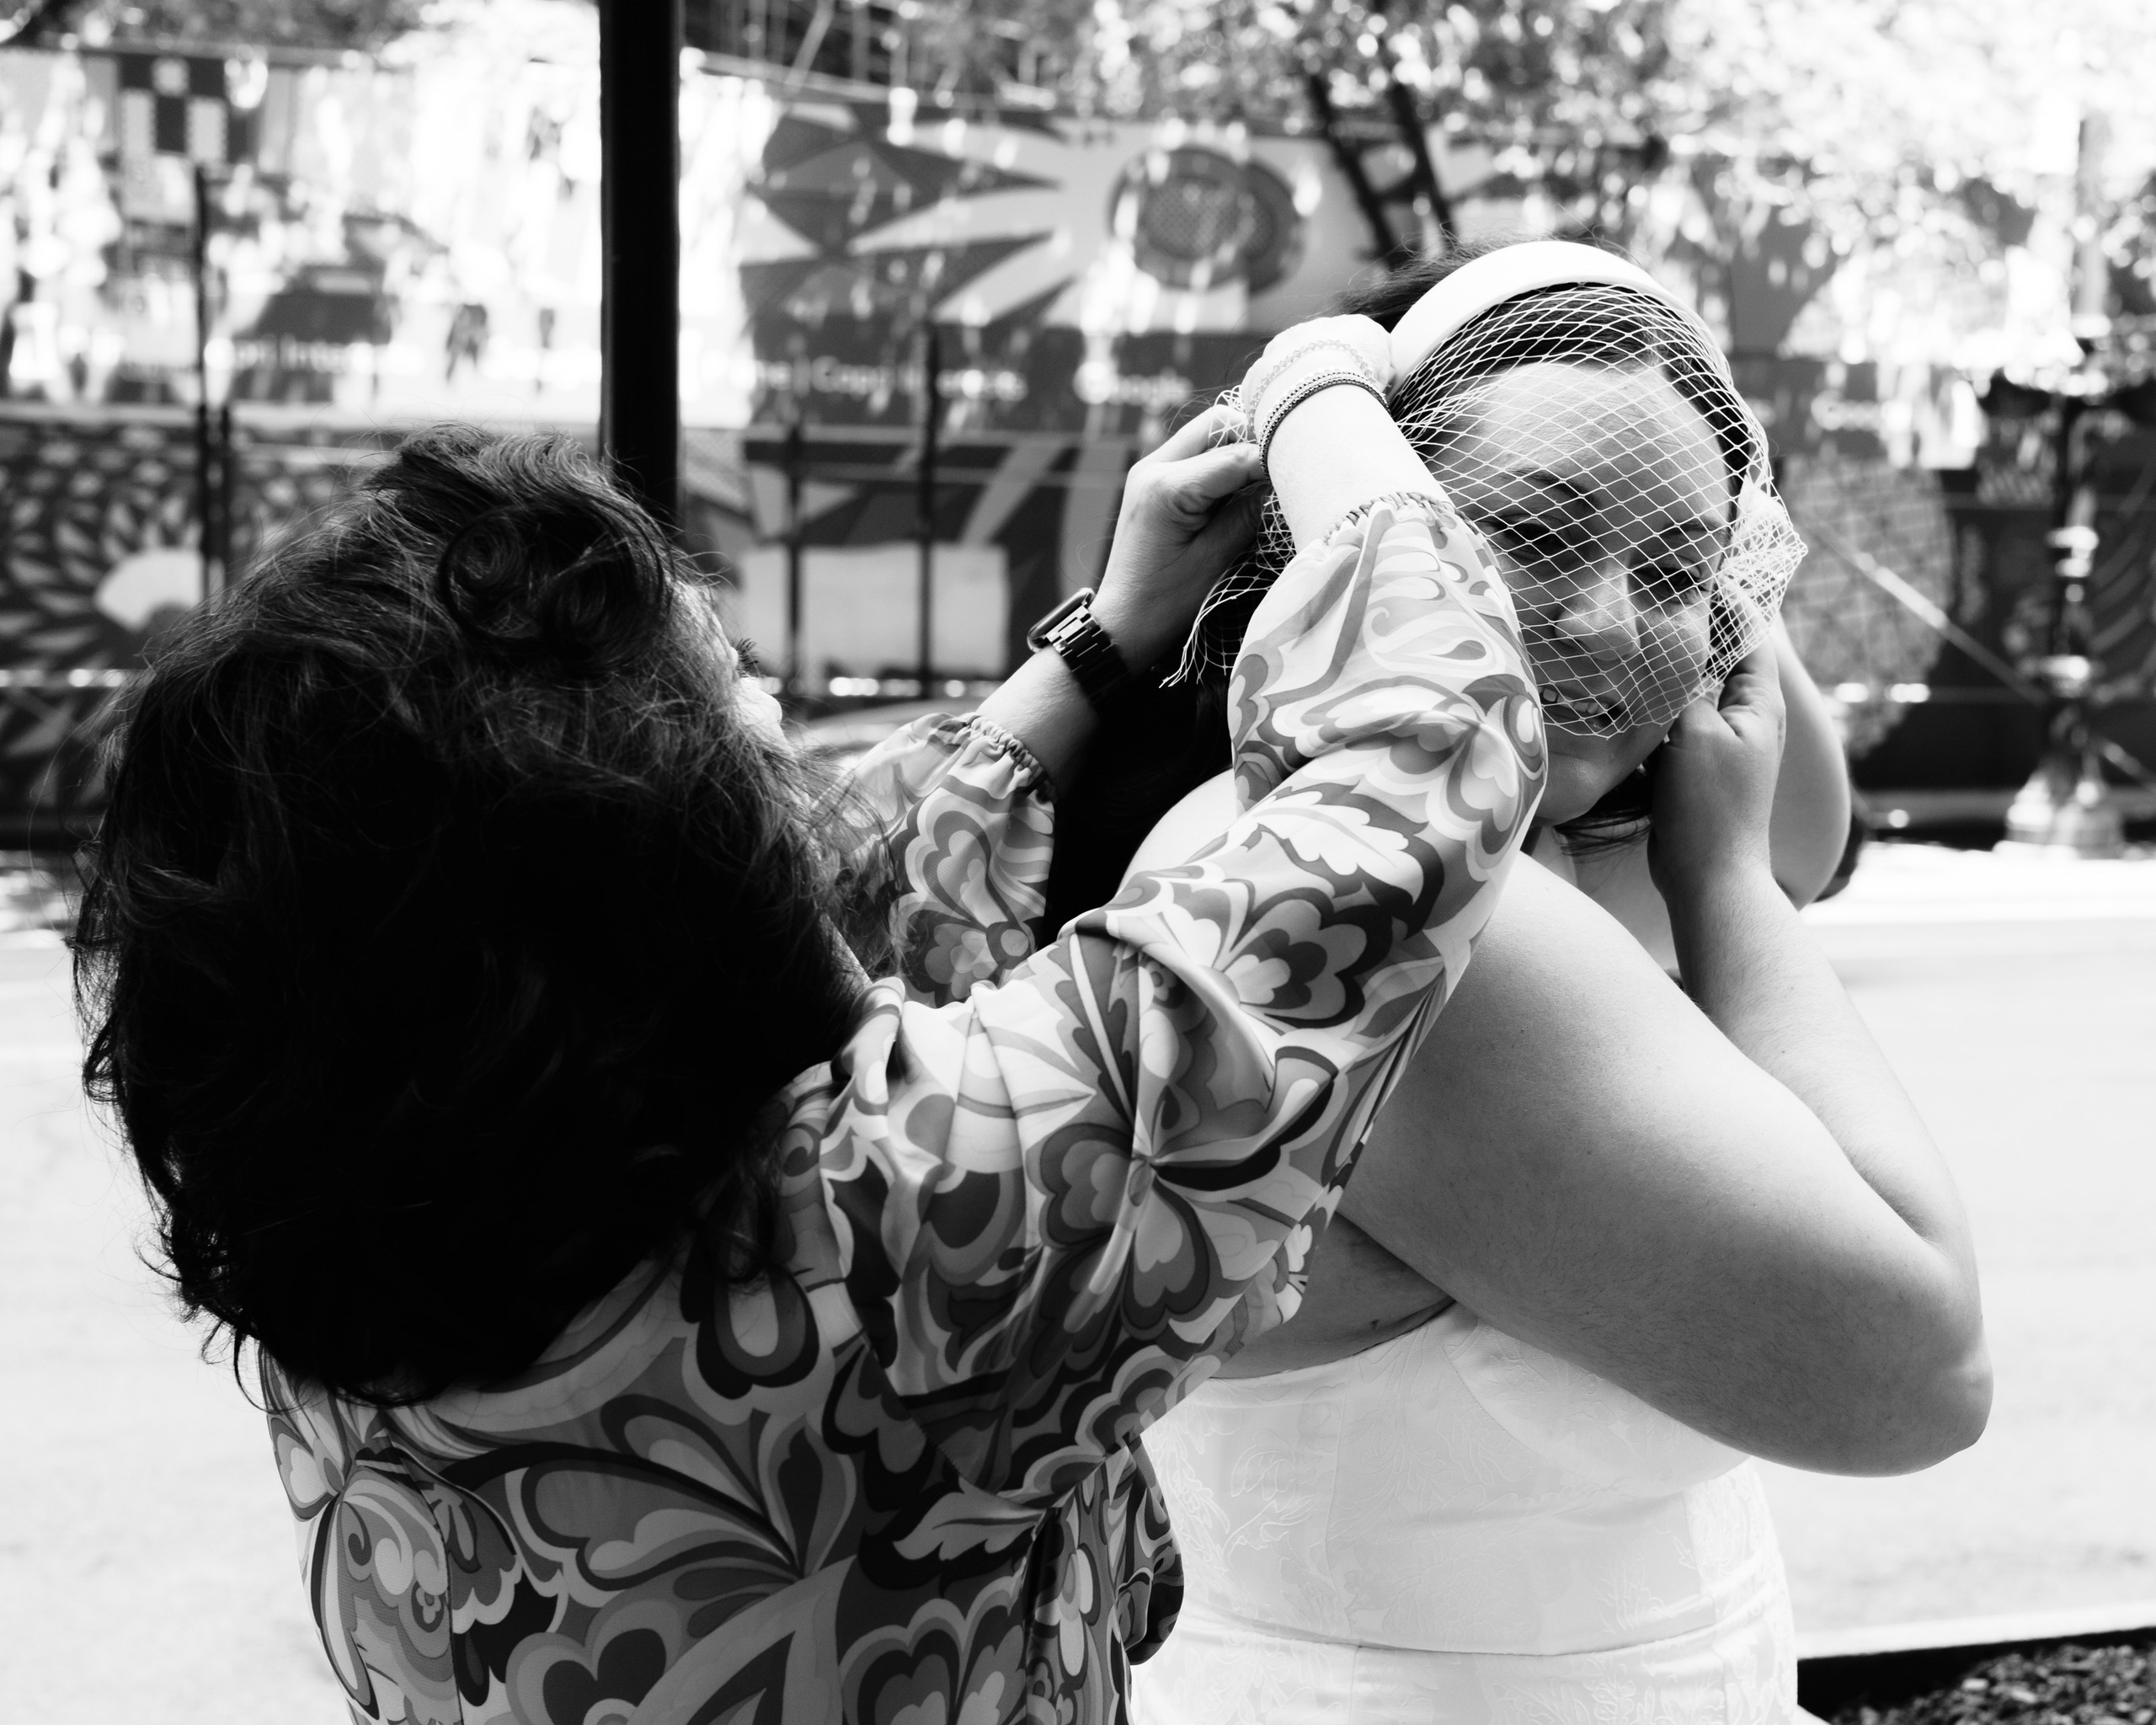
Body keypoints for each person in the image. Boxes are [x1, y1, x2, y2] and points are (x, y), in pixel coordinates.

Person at [72, 406, 1546, 1725]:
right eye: (740, 714)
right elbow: (1424, 749)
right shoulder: (897, 1245)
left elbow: (801, 892)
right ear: (667, 878)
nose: (779, 729)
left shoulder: (361, 1203)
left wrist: (1102, 641)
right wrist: (1324, 403)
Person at [1087, 243, 1993, 1725]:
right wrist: (1725, 884)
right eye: (1534, 534)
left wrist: (1702, 538)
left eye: (1674, 570)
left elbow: (1808, 821)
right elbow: (1920, 1374)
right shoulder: (1392, 898)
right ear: (1361, 540)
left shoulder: (1559, 843)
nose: (1607, 622)